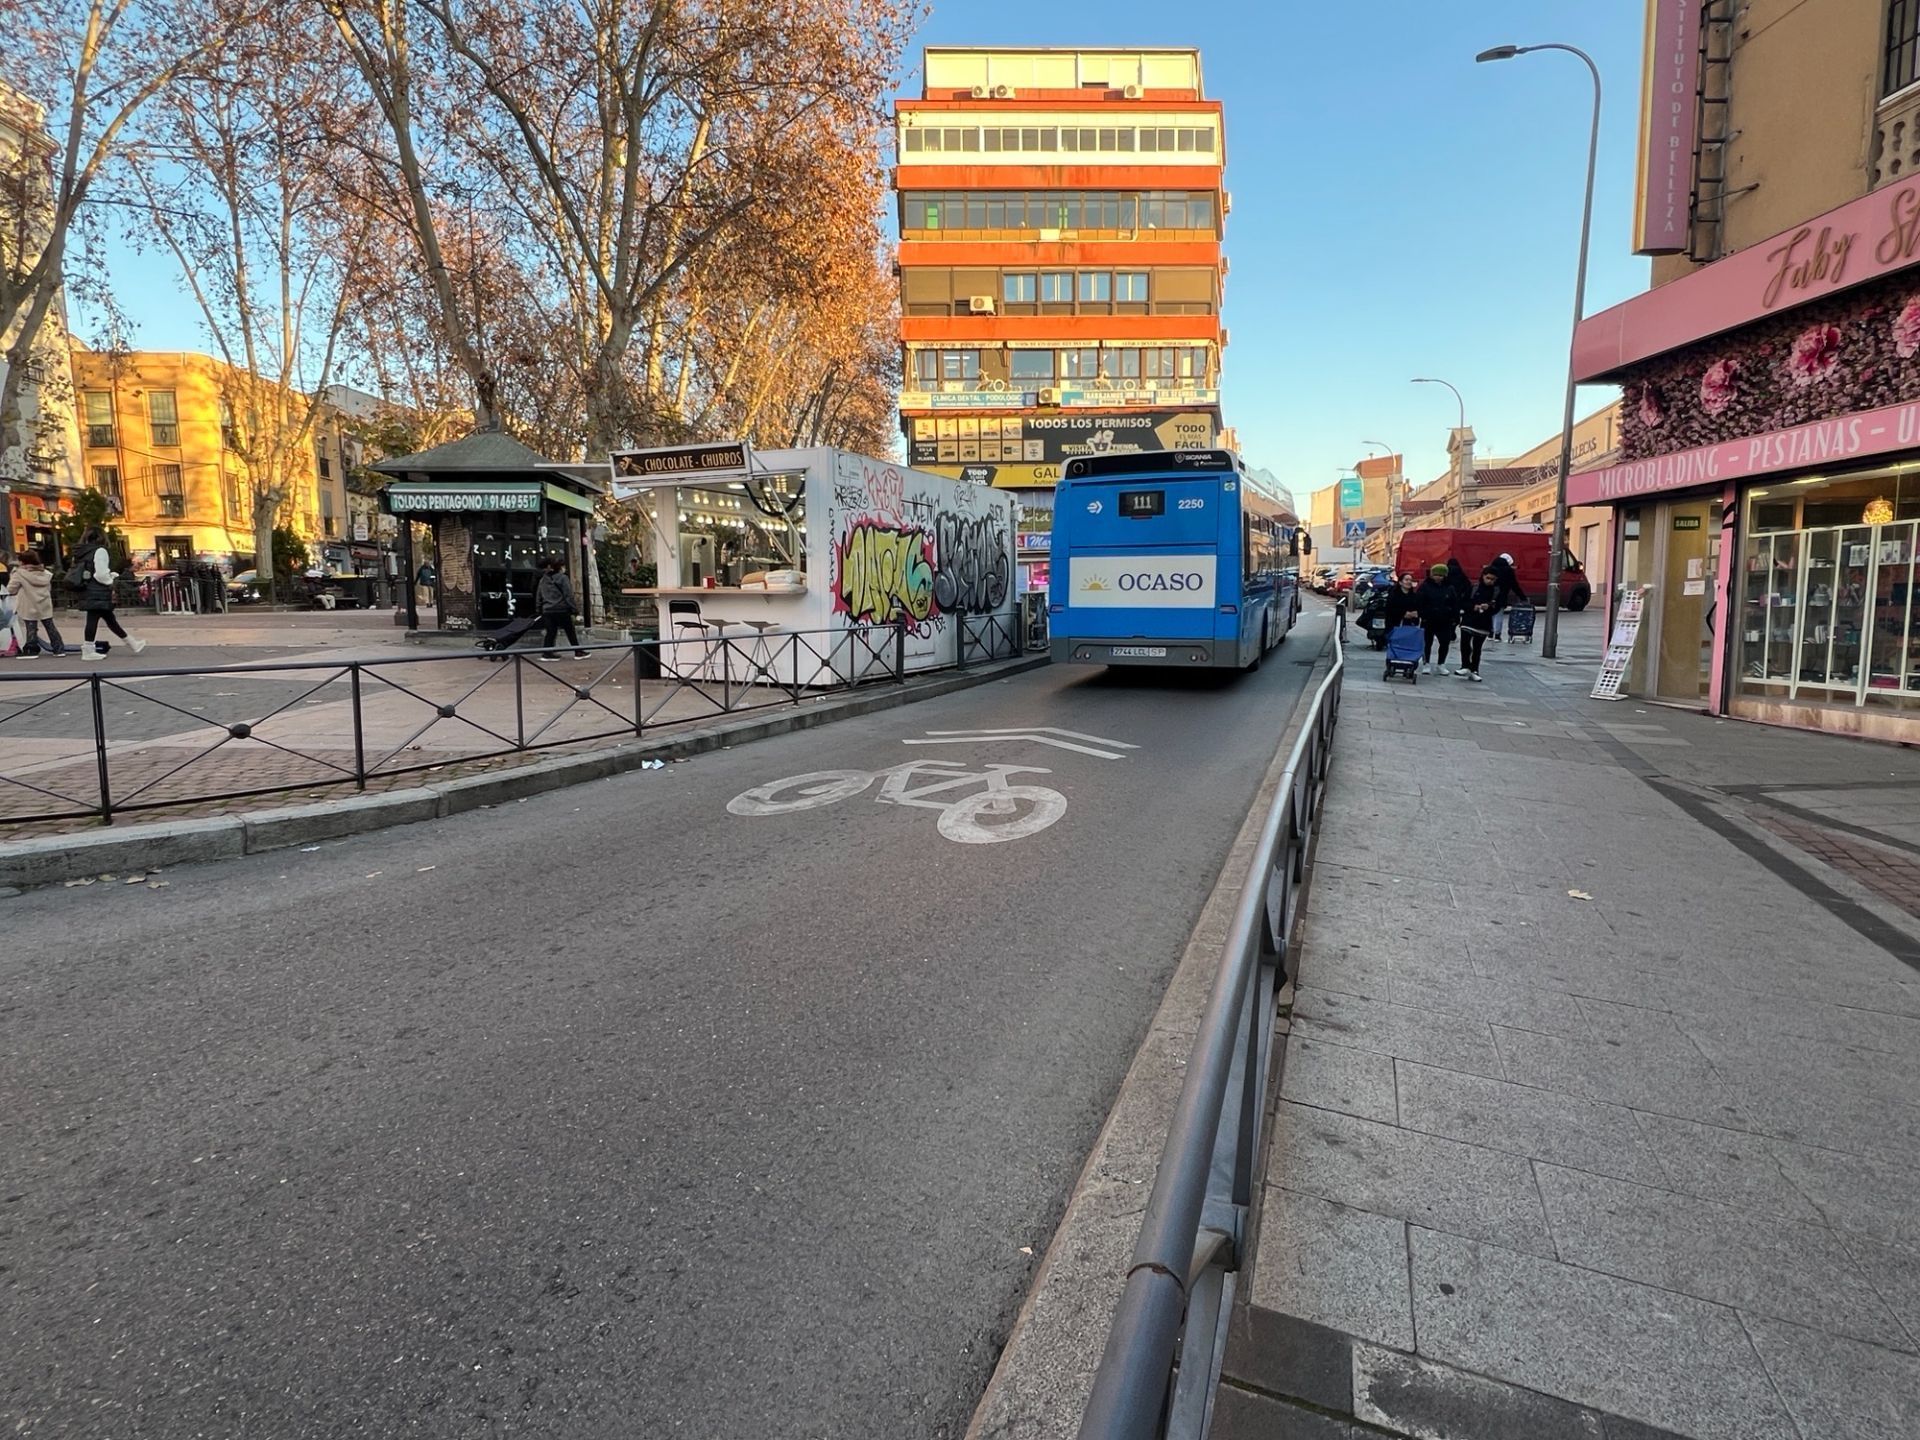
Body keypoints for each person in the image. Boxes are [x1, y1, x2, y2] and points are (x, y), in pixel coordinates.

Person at [74, 526, 145, 659]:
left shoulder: (82, 552)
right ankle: (88, 650)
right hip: (98, 588)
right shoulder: (100, 551)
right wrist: (110, 578)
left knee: (108, 618)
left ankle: (132, 643)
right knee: (95, 618)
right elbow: (100, 573)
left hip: (88, 587)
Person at [6, 549, 67, 656]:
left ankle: (31, 650)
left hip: (28, 604)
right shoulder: (45, 573)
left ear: (23, 561)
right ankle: (59, 648)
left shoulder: (19, 573)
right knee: (50, 626)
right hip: (44, 603)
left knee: (31, 627)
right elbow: (49, 589)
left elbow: (11, 589)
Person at [535, 556, 589, 661]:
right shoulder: (563, 578)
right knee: (570, 631)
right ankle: (578, 651)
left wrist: (539, 610)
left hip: (547, 610)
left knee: (550, 632)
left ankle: (547, 653)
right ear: (560, 567)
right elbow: (568, 595)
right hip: (561, 609)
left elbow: (539, 595)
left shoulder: (543, 579)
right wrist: (575, 610)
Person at [1415, 563, 1460, 675]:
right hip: (1428, 620)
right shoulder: (1425, 586)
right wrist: (1423, 614)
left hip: (1445, 620)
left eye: (1441, 575)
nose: (1438, 577)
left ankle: (1441, 664)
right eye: (1436, 575)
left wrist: (1455, 618)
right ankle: (1426, 663)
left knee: (1444, 643)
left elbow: (1455, 604)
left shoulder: (1449, 588)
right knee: (1427, 643)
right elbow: (1419, 602)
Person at [1457, 567, 1501, 681]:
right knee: (1465, 643)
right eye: (1488, 578)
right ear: (1483, 576)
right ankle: (1465, 665)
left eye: (1492, 579)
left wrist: (1489, 607)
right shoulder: (1473, 588)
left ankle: (1474, 669)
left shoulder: (1496, 591)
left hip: (1483, 623)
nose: (1490, 581)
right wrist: (1473, 607)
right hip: (1469, 620)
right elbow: (1462, 602)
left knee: (1477, 648)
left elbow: (1498, 607)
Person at [1489, 552, 1526, 642]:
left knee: (1490, 614)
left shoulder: (1490, 569)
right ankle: (1497, 635)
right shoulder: (1508, 571)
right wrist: (1522, 597)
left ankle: (1490, 633)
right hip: (1502, 596)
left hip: (1489, 595)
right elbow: (1514, 585)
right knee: (1499, 615)